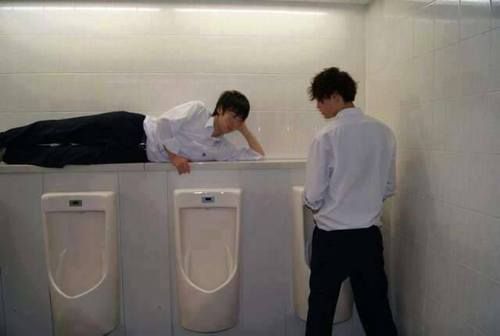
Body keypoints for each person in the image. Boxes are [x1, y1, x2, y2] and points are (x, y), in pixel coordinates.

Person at [304, 67, 397, 336]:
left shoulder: (326, 135)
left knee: (321, 311)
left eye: (320, 100)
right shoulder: (384, 132)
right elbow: (389, 186)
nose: (319, 107)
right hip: (368, 237)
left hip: (332, 238)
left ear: (334, 96)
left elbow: (312, 196)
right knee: (376, 311)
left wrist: (328, 206)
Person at [0, 90, 265, 173]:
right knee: (65, 130)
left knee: (72, 156)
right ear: (219, 109)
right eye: (233, 115)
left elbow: (258, 157)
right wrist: (174, 156)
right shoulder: (197, 110)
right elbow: (163, 124)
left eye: (239, 120)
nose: (234, 122)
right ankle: (4, 139)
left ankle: (10, 155)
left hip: (135, 154)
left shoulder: (222, 149)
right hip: (132, 128)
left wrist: (245, 130)